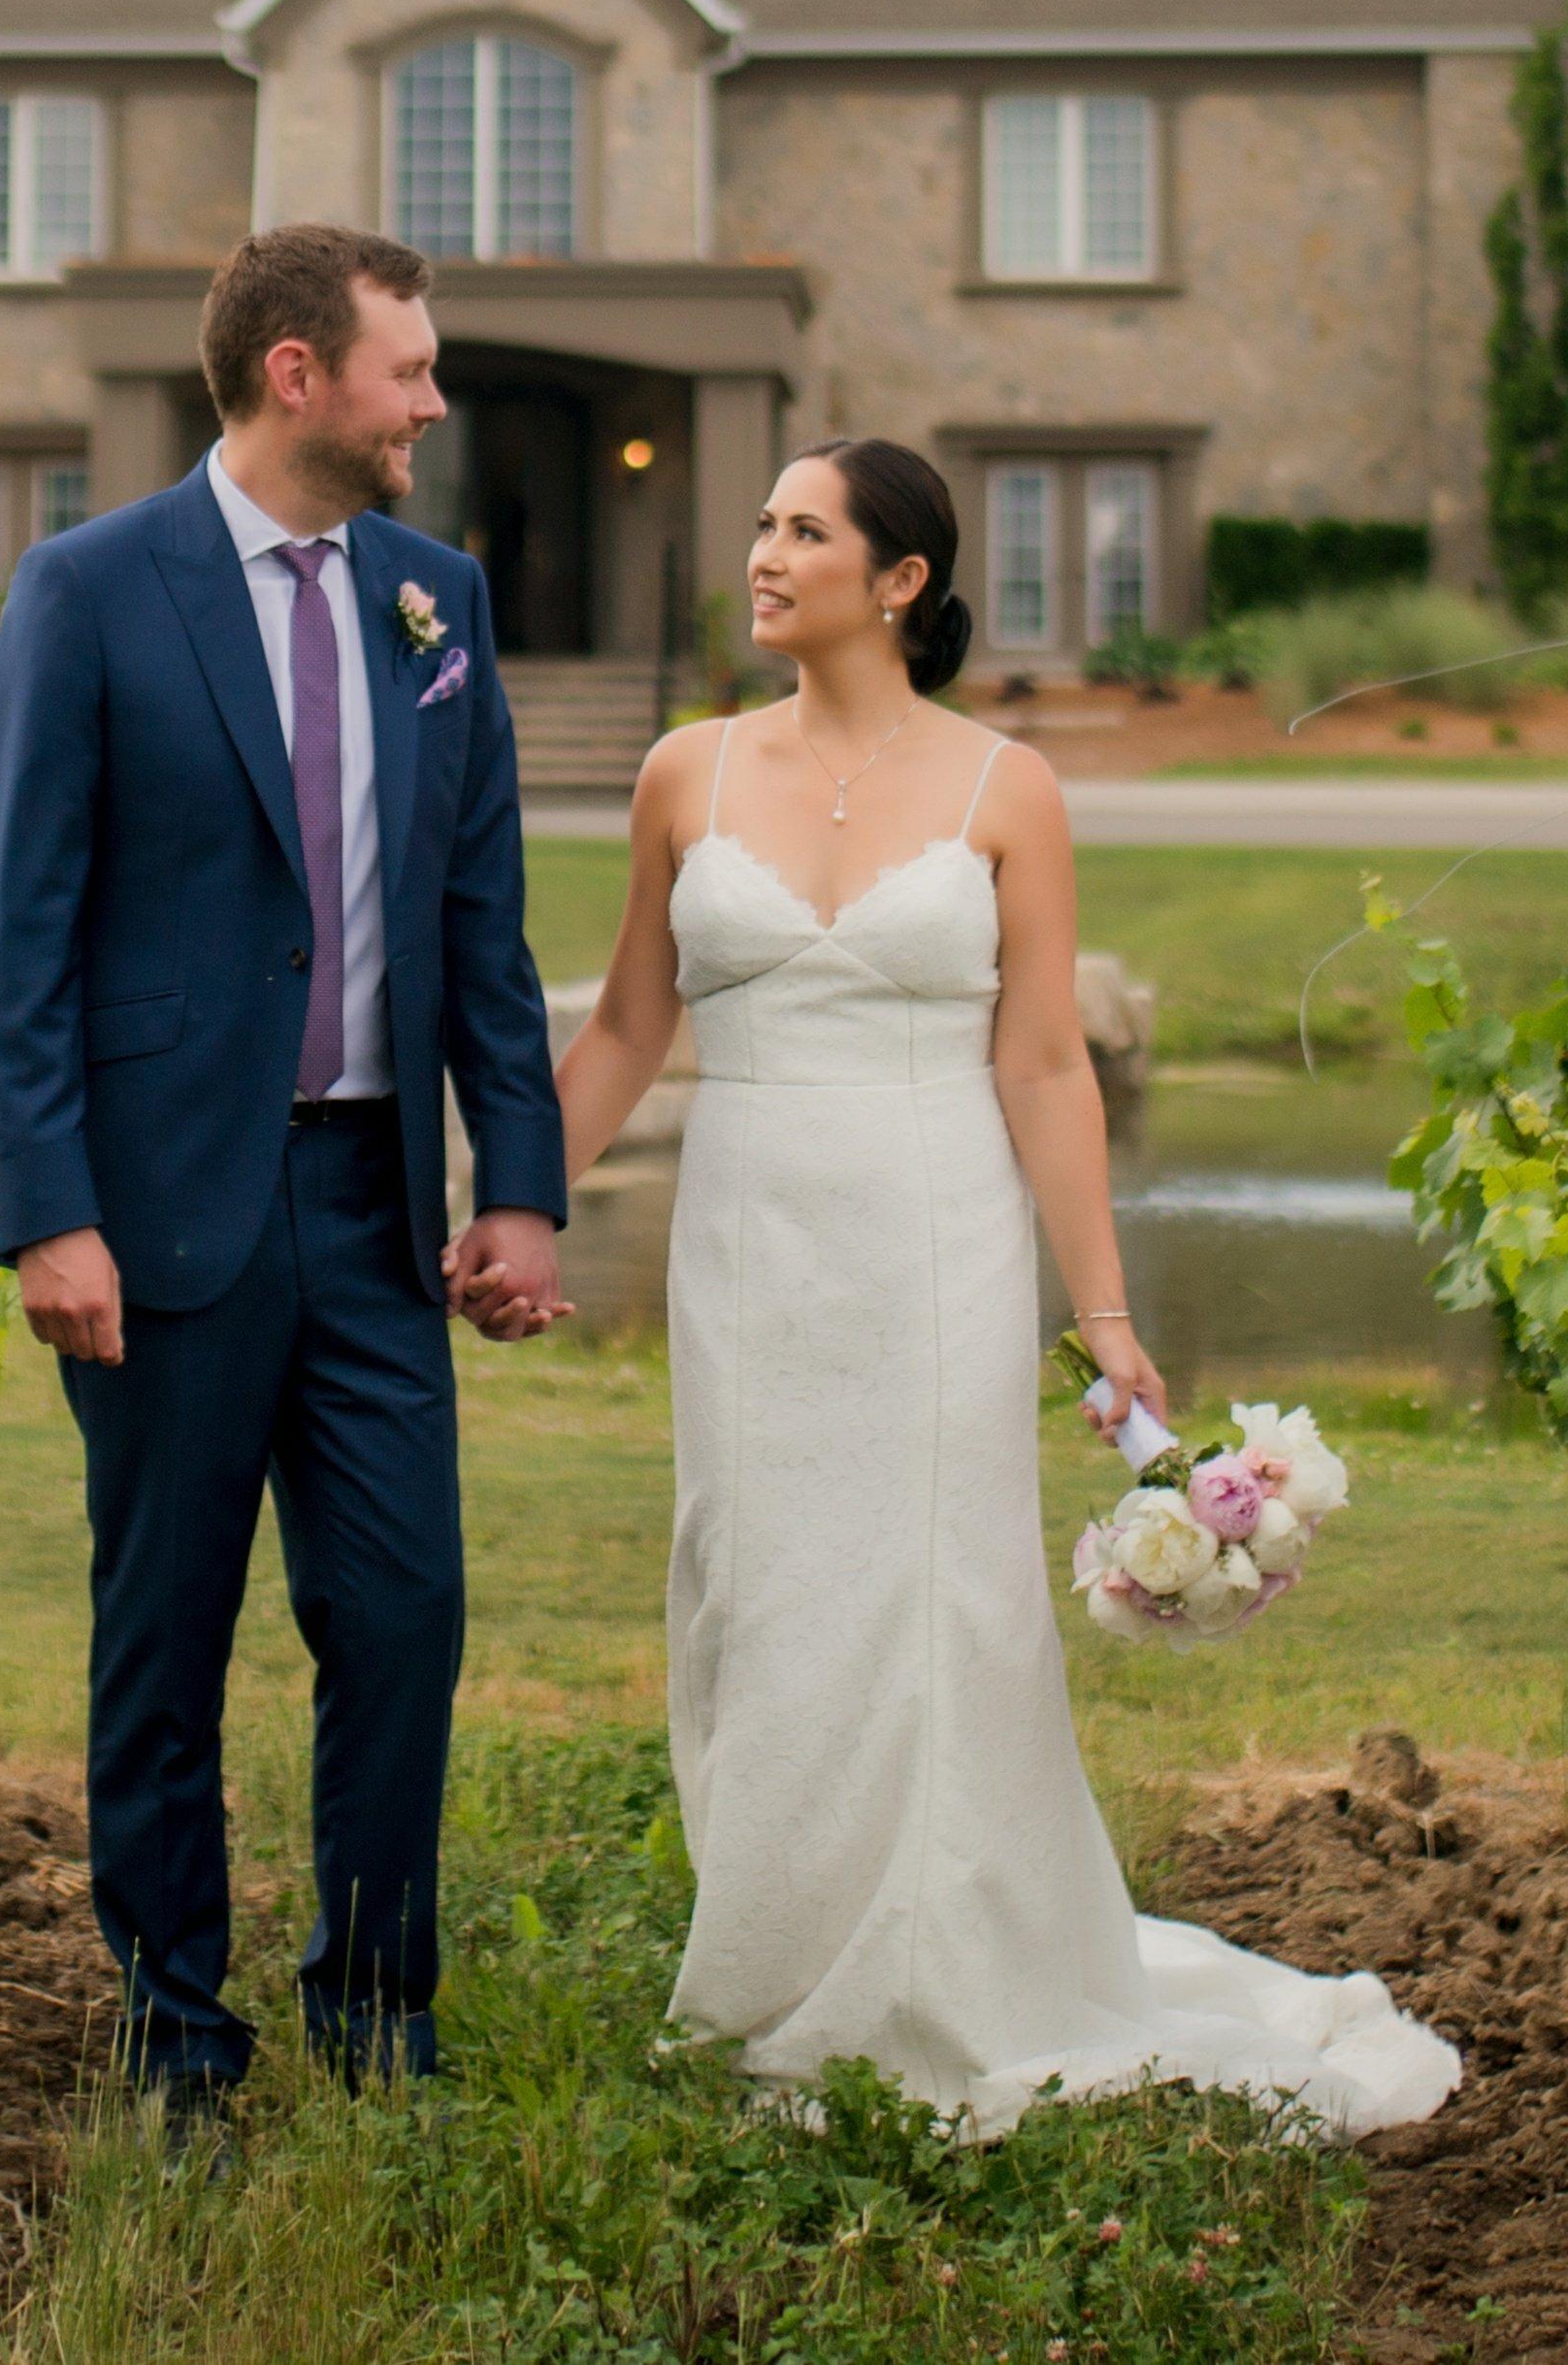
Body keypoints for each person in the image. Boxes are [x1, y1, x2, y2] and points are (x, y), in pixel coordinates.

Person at [533, 436, 1459, 2135]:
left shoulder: (1002, 787)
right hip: (749, 1244)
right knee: (757, 1590)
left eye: (802, 528)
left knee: (935, 1603)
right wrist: (515, 1205)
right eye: (760, 523)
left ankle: (955, 1975)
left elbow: (1043, 1066)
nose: (762, 551)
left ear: (898, 579)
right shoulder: (685, 770)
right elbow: (625, 1031)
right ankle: (769, 1974)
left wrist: (1107, 1323)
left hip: (936, 1240)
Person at [0, 223, 571, 2104]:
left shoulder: (435, 596)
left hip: (377, 1218)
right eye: (410, 366)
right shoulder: (88, 588)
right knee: (165, 1641)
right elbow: (17, 926)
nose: (434, 401)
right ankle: (180, 2045)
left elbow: (483, 918)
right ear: (298, 373)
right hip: (158, 1225)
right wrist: (49, 1207)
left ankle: (378, 2015)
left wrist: (519, 1178)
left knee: (401, 1617)